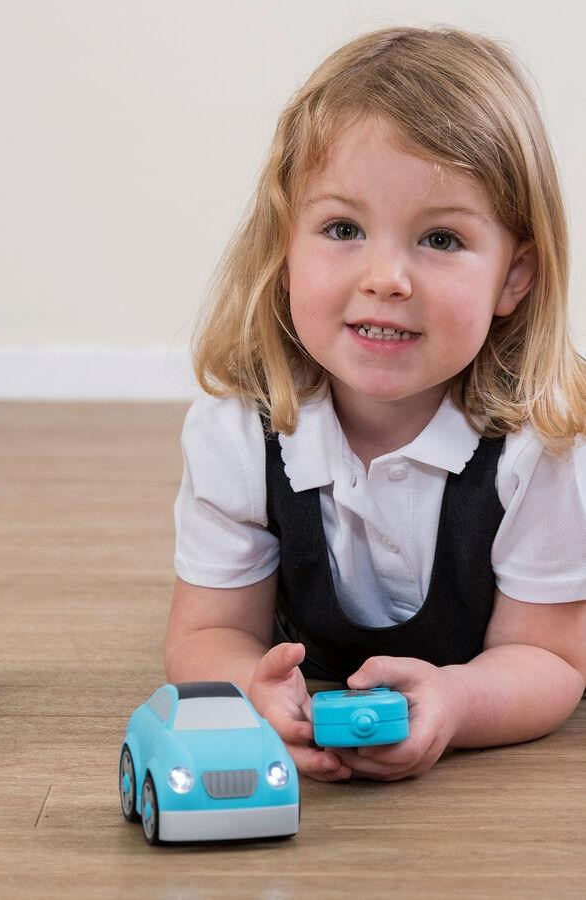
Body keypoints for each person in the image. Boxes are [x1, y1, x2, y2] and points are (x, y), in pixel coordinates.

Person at [165, 25, 586, 782]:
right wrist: (252, 690)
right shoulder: (238, 432)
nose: (386, 277)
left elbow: (548, 657)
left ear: (515, 276)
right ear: (284, 250)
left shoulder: (541, 447)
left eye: (441, 239)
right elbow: (209, 632)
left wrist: (458, 702)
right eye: (344, 229)